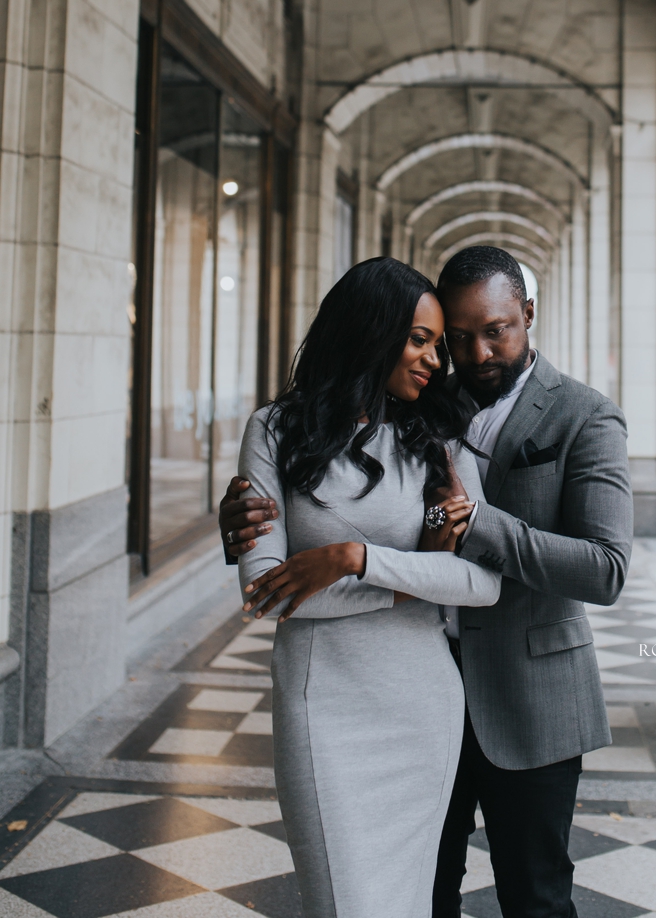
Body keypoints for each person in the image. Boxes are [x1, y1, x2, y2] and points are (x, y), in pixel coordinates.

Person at [222, 245, 633, 918]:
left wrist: (465, 530)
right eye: (453, 338)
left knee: (535, 898)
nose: (470, 355)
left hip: (523, 696)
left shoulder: (581, 416)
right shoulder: (429, 405)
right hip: (397, 687)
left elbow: (604, 568)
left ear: (528, 315)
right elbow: (283, 555)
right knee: (410, 898)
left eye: (493, 330)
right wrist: (241, 515)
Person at [233, 256, 501, 918]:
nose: (435, 361)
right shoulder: (275, 431)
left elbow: (480, 581)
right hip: (322, 703)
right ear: (370, 332)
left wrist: (356, 560)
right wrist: (412, 575)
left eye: (438, 345)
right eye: (419, 341)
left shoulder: (438, 440)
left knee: (408, 903)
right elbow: (267, 590)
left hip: (422, 705)